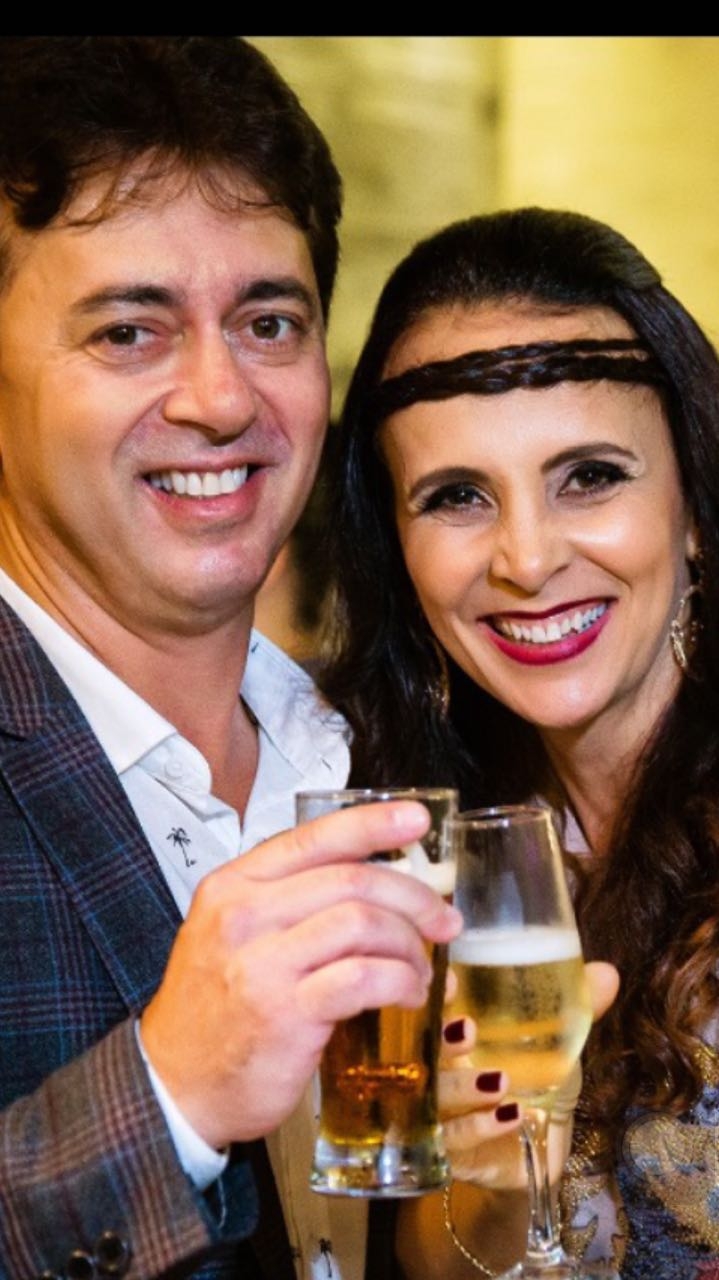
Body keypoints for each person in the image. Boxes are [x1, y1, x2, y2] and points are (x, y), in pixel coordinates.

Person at [0, 37, 463, 1280]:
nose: (219, 397)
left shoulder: (409, 747)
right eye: (128, 332)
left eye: (268, 322)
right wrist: (169, 1092)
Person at [321, 206, 719, 1278]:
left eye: (587, 475)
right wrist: (493, 1178)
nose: (527, 560)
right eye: (456, 496)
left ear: (692, 505)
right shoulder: (416, 852)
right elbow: (441, 1261)